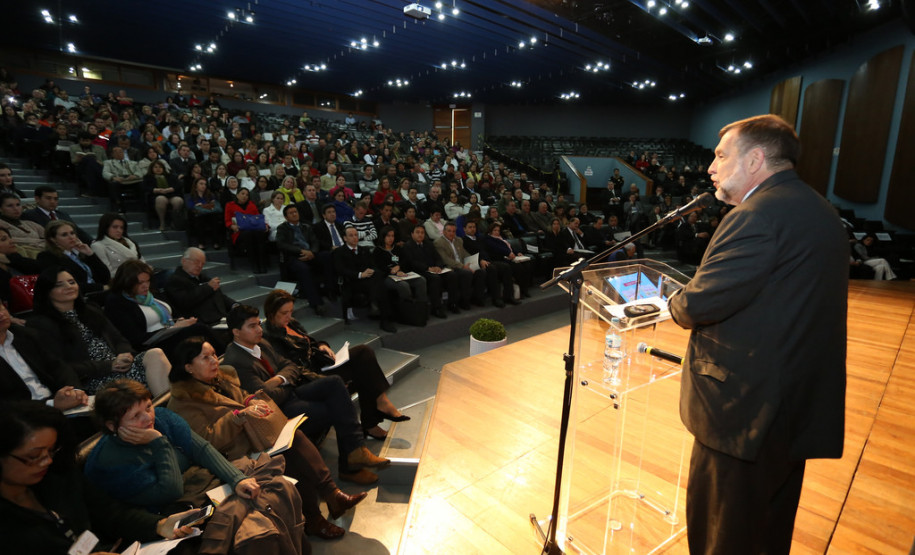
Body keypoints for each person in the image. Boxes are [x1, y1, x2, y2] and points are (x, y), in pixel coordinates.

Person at [668, 114, 848, 554]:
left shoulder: (755, 216)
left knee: (724, 538)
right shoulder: (816, 208)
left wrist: (673, 299)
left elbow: (697, 305)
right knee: (767, 533)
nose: (710, 167)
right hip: (791, 407)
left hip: (745, 414)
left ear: (754, 160)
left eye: (721, 156)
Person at [166, 337, 367, 539]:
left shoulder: (220, 379)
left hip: (255, 437)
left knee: (294, 436)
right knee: (286, 456)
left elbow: (242, 396)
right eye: (205, 358)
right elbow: (207, 442)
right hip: (231, 457)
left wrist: (252, 401)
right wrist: (237, 417)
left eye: (213, 355)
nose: (214, 361)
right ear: (188, 367)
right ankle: (316, 516)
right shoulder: (183, 402)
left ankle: (330, 494)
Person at [83, 380, 307, 552]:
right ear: (112, 426)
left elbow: (202, 449)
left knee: (276, 492)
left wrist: (237, 479)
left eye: (148, 407)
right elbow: (170, 491)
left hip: (202, 485)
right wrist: (159, 443)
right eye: (135, 416)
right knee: (257, 528)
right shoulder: (108, 460)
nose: (148, 418)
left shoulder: (162, 417)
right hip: (172, 508)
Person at [0, 400, 198, 554]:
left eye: (52, 450)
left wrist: (159, 525)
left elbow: (111, 512)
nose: (47, 461)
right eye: (34, 456)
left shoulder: (57, 475)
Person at [222, 305, 391, 484]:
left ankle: (356, 452)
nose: (259, 329)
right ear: (236, 332)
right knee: (337, 407)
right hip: (277, 411)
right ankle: (349, 466)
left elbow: (290, 365)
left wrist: (279, 379)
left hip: (291, 392)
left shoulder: (260, 343)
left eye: (258, 324)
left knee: (335, 382)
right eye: (252, 326)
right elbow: (267, 397)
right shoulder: (236, 361)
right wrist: (286, 380)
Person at [263, 289, 410, 440]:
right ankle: (372, 421)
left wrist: (322, 345)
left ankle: (380, 405)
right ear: (271, 313)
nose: (289, 316)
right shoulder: (271, 337)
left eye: (291, 311)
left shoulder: (291, 323)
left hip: (319, 365)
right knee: (362, 371)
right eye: (284, 313)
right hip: (309, 378)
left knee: (363, 352)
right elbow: (293, 369)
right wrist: (321, 378)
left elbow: (310, 342)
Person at [27, 267, 172, 396]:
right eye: (59, 285)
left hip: (120, 366)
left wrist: (125, 355)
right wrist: (110, 365)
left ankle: (171, 410)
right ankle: (169, 411)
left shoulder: (90, 310)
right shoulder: (41, 324)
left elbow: (118, 339)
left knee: (155, 354)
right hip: (93, 377)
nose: (69, 287)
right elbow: (61, 367)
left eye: (71, 282)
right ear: (47, 291)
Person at [103, 259, 217, 355]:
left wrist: (181, 321)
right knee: (198, 330)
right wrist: (173, 328)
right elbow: (135, 338)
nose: (145, 286)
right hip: (151, 346)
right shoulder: (117, 301)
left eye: (147, 281)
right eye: (140, 283)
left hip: (170, 333)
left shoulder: (152, 293)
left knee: (198, 327)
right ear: (127, 282)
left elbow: (174, 313)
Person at [334, 227, 397, 333]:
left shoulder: (364, 250)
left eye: (356, 235)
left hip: (367, 279)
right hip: (351, 281)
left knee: (378, 277)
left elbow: (373, 265)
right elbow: (341, 270)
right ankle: (384, 316)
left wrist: (371, 271)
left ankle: (382, 315)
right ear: (345, 238)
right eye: (351, 235)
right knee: (379, 286)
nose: (355, 237)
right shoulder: (339, 252)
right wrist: (360, 274)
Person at [165, 247, 238, 324]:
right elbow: (185, 301)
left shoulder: (202, 277)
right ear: (184, 261)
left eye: (202, 263)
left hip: (221, 318)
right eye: (196, 262)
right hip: (202, 322)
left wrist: (234, 305)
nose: (200, 266)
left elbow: (220, 296)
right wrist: (208, 287)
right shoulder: (175, 280)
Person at [38, 220, 111, 296]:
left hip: (98, 293)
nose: (71, 237)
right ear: (53, 239)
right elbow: (64, 285)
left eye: (72, 233)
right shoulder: (47, 257)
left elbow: (105, 277)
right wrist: (101, 288)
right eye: (64, 235)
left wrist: (90, 254)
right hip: (78, 296)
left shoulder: (79, 253)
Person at [22, 185, 93, 244]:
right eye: (48, 198)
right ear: (37, 199)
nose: (53, 201)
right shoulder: (29, 215)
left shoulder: (63, 214)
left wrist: (93, 243)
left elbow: (77, 231)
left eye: (55, 199)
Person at [224, 187, 268, 274]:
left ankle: (262, 263)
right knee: (249, 234)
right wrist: (232, 226)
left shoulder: (251, 204)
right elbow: (227, 220)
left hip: (253, 229)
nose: (245, 196)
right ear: (237, 195)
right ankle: (254, 263)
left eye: (247, 195)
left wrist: (265, 225)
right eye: (242, 194)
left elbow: (258, 217)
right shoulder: (230, 205)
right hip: (239, 231)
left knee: (260, 234)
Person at [90, 212, 143, 276]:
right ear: (105, 228)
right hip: (120, 279)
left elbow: (141, 261)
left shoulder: (129, 242)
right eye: (115, 227)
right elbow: (107, 272)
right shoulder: (98, 246)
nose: (119, 230)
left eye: (121, 228)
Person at [186, 177, 223, 250]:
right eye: (201, 184)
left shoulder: (210, 195)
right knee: (199, 218)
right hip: (198, 216)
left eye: (205, 184)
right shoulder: (192, 196)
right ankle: (201, 242)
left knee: (214, 217)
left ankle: (215, 242)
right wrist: (196, 205)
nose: (203, 186)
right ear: (196, 185)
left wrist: (205, 205)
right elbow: (190, 207)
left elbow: (214, 205)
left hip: (210, 215)